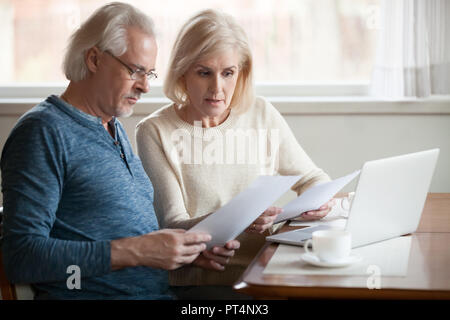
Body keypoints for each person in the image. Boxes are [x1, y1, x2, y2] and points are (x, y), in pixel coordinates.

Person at [0, 2, 238, 300]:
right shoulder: (43, 132)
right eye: (135, 70)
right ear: (95, 59)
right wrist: (138, 251)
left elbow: (118, 234)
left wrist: (183, 252)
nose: (144, 87)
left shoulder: (112, 127)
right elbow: (22, 257)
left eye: (148, 74)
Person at [135, 9, 334, 300]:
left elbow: (314, 177)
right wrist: (238, 217)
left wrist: (319, 200)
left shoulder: (261, 113)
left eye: (228, 73)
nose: (218, 88)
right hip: (200, 284)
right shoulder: (154, 131)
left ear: (241, 73)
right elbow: (173, 224)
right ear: (182, 71)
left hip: (264, 271)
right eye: (204, 73)